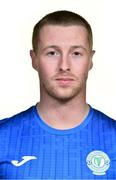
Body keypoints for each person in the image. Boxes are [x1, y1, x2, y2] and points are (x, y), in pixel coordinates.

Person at [0, 10, 116, 179]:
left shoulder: (113, 138)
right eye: (52, 53)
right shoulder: (3, 138)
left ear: (90, 59)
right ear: (34, 59)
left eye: (76, 53)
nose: (64, 66)